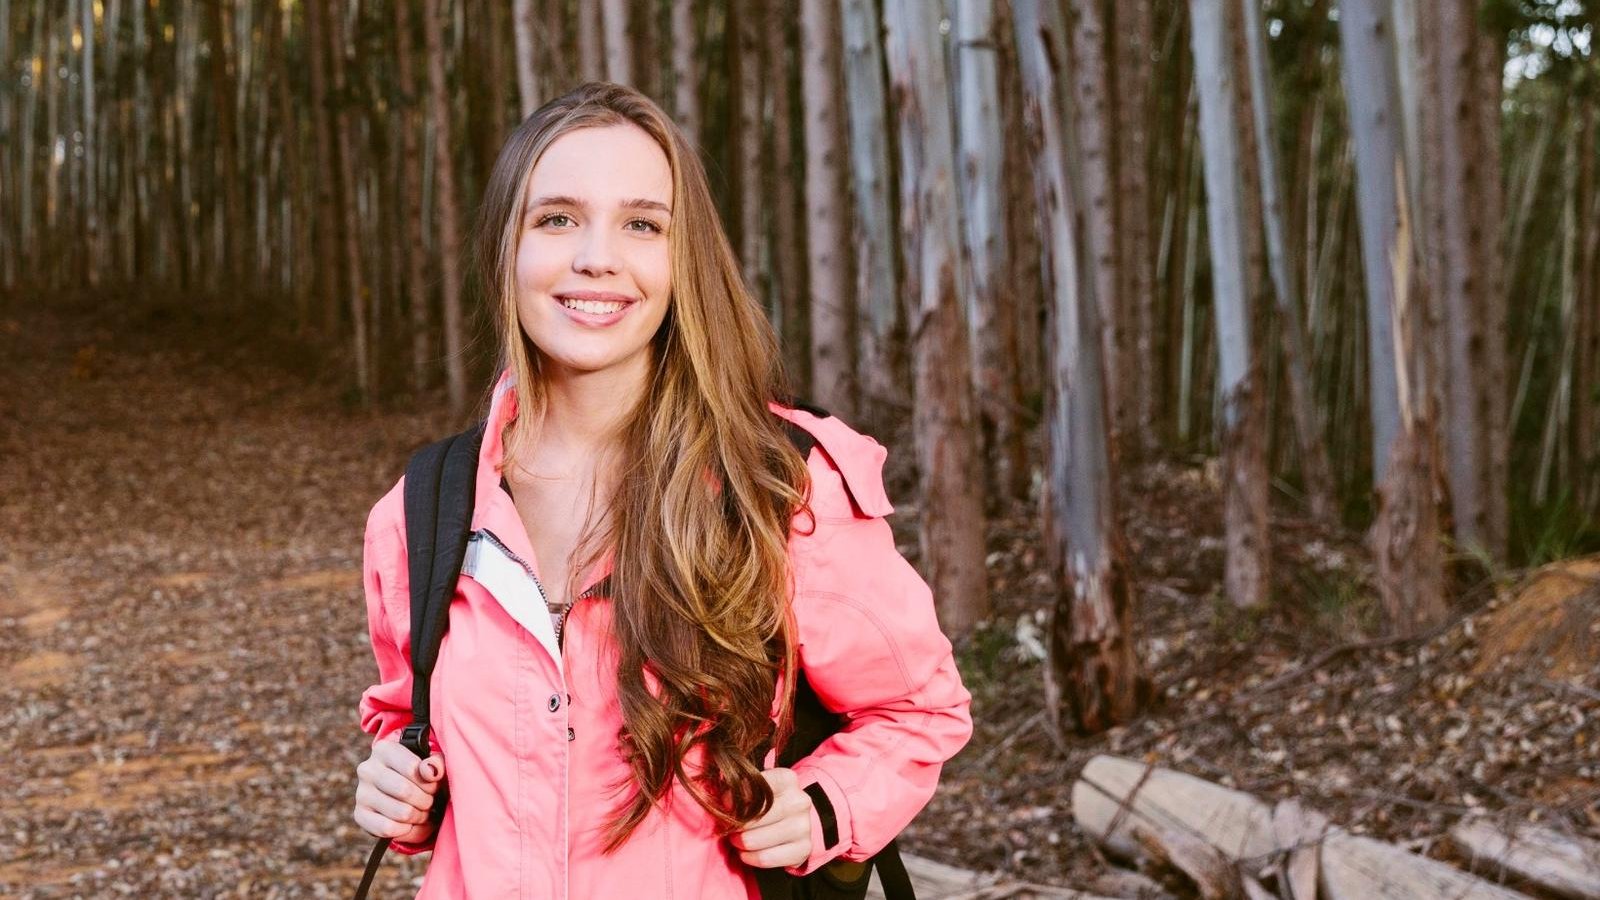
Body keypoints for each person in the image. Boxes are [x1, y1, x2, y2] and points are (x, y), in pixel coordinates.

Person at [350, 82, 972, 899]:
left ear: (684, 260)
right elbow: (412, 721)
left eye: (642, 224)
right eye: (557, 219)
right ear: (507, 247)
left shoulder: (777, 486)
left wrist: (824, 806)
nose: (597, 257)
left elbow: (920, 710)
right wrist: (400, 786)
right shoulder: (424, 511)